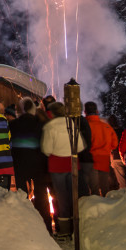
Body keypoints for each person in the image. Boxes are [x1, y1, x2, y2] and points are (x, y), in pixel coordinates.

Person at [40, 101, 86, 238]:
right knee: (74, 194)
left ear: (52, 113)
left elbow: (46, 149)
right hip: (72, 164)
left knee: (61, 197)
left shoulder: (49, 126)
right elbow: (81, 146)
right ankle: (76, 227)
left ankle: (65, 229)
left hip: (57, 165)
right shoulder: (71, 124)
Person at [9, 97, 50, 231]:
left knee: (22, 193)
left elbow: (10, 145)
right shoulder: (41, 124)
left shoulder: (13, 124)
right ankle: (46, 226)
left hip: (19, 163)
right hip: (38, 163)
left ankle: (26, 227)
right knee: (41, 194)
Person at [84, 102, 118, 197]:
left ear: (85, 112)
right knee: (105, 186)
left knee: (94, 188)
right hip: (104, 158)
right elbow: (114, 144)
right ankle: (106, 206)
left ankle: (96, 207)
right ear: (97, 111)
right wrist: (106, 148)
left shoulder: (84, 127)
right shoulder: (106, 127)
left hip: (90, 159)